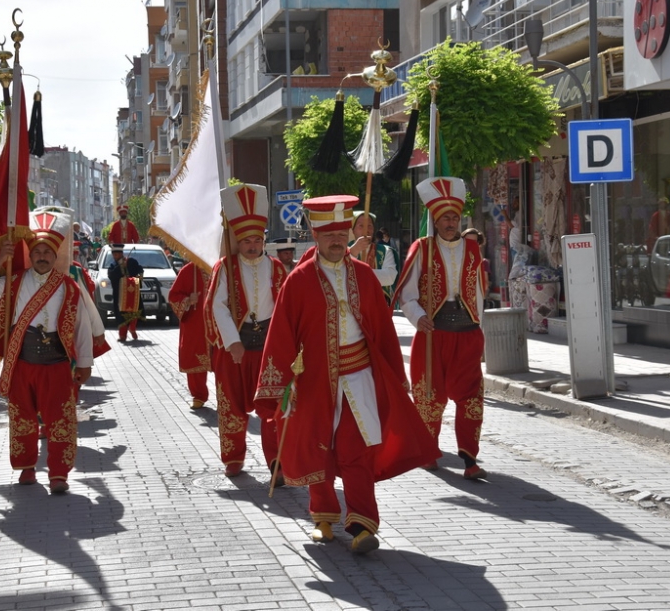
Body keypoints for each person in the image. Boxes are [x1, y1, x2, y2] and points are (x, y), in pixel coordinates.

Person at [256, 194, 439, 553]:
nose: (337, 240)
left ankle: (361, 522)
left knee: (358, 450)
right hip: (314, 381)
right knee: (319, 448)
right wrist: (279, 386)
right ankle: (323, 515)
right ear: (314, 233)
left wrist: (394, 377)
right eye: (329, 235)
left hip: (359, 377)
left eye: (342, 233)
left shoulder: (367, 277)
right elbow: (280, 335)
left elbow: (383, 330)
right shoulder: (298, 280)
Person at [0, 210, 93, 494]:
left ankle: (59, 475)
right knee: (23, 418)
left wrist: (85, 362)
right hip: (22, 361)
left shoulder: (68, 286)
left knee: (61, 419)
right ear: (30, 255)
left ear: (55, 256)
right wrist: (1, 259)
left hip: (57, 362)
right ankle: (27, 468)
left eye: (47, 252)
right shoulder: (13, 280)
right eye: (37, 251)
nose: (41, 256)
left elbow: (82, 326)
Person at [395, 177, 488, 480]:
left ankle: (469, 457)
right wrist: (417, 316)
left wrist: (478, 326)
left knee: (471, 396)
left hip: (467, 331)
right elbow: (407, 293)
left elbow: (477, 293)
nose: (450, 222)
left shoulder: (473, 250)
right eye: (445, 217)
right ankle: (428, 450)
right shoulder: (422, 248)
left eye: (454, 217)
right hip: (433, 332)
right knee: (428, 396)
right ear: (434, 220)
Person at [205, 184, 288, 478]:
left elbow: (285, 309)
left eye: (257, 239)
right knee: (231, 407)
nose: (252, 246)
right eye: (246, 241)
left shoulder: (277, 268)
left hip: (268, 349)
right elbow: (217, 305)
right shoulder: (224, 268)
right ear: (237, 241)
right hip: (235, 349)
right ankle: (233, 458)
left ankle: (276, 462)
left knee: (273, 407)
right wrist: (232, 341)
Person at [168, 259, 213, 409]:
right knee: (195, 357)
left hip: (219, 323)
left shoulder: (223, 269)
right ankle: (199, 395)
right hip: (196, 323)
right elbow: (173, 296)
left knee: (224, 363)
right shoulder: (188, 271)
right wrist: (187, 300)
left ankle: (227, 396)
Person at [348, 211, 398, 306]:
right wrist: (353, 252)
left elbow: (390, 277)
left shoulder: (385, 251)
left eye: (369, 226)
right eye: (361, 226)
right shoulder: (343, 252)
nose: (366, 230)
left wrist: (361, 273)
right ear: (353, 229)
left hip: (377, 307)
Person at [108, 244, 144, 342]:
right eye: (113, 254)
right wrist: (120, 266)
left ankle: (132, 328)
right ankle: (122, 335)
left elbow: (140, 270)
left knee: (134, 310)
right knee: (121, 314)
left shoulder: (132, 262)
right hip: (120, 294)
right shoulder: (113, 265)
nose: (115, 256)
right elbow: (111, 275)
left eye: (117, 254)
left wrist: (139, 277)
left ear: (121, 253)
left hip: (133, 291)